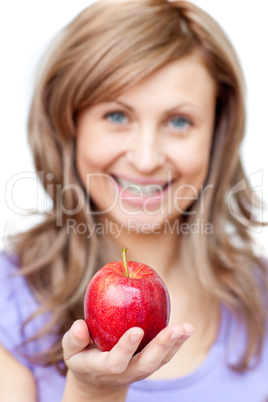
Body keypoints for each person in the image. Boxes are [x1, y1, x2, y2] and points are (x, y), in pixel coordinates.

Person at [0, 0, 267, 401]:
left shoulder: (261, 300)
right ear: (68, 124)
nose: (145, 159)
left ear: (218, 135)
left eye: (179, 122)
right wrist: (93, 391)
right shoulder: (9, 298)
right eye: (116, 116)